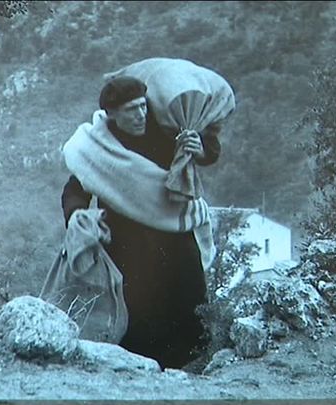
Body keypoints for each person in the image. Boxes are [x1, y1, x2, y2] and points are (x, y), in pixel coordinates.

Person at [60, 76, 222, 369]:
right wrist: (76, 215)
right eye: (131, 110)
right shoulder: (97, 146)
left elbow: (206, 146)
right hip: (128, 242)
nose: (140, 115)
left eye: (143, 106)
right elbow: (75, 187)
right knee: (139, 311)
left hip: (174, 234)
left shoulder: (163, 128)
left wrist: (199, 149)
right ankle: (141, 373)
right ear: (112, 114)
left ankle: (196, 370)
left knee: (189, 302)